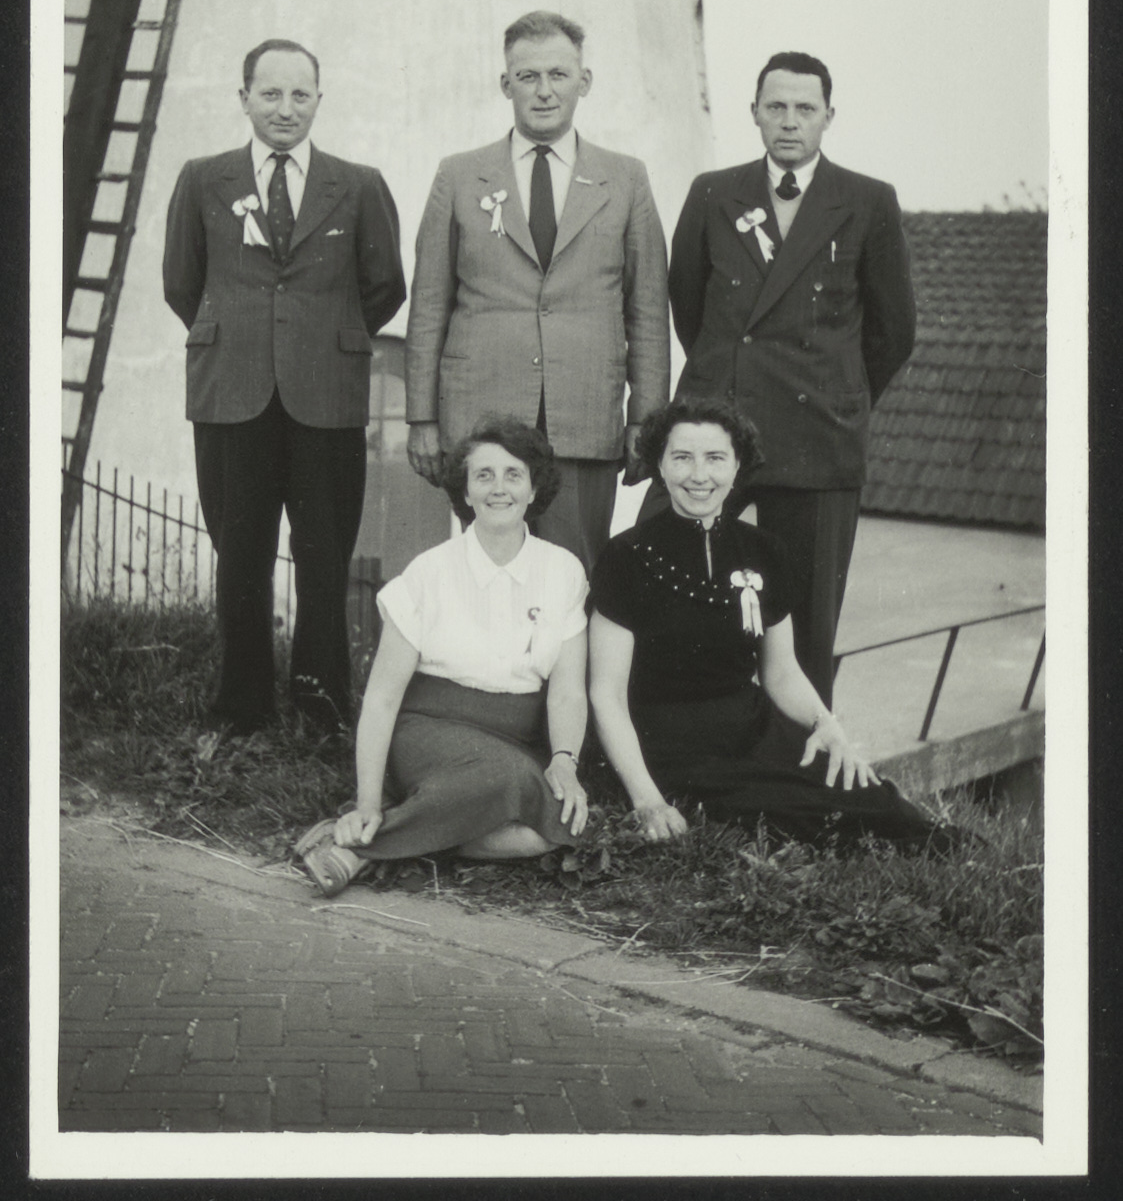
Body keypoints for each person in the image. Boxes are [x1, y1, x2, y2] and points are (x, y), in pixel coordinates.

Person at [163, 38, 406, 735]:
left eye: (300, 95)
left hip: (325, 396)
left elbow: (384, 285)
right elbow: (182, 282)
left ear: (319, 101)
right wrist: (245, 341)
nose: (285, 108)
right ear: (244, 99)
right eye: (270, 93)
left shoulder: (357, 184)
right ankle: (242, 707)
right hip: (231, 393)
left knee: (324, 555)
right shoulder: (202, 179)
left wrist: (320, 340)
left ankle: (321, 707)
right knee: (239, 554)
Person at [664, 51, 915, 706]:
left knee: (805, 622)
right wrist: (726, 379)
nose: (789, 121)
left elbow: (893, 330)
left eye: (805, 109)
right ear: (753, 113)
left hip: (816, 435)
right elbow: (689, 307)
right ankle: (678, 742)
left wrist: (835, 394)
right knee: (668, 581)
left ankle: (805, 760)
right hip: (717, 426)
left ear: (829, 116)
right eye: (775, 107)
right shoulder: (712, 192)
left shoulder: (867, 200)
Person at [589, 400, 944, 848]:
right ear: (659, 464)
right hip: (667, 741)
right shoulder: (626, 555)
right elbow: (606, 694)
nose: (699, 475)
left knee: (878, 803)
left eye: (715, 458)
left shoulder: (764, 551)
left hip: (751, 730)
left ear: (737, 466)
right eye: (682, 458)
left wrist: (826, 724)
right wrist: (647, 800)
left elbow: (781, 673)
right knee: (800, 818)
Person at [404, 9, 670, 575]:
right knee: (485, 575)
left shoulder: (626, 178)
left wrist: (645, 421)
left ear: (584, 81)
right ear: (506, 84)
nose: (544, 91)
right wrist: (421, 418)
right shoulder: (459, 176)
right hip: (481, 418)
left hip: (584, 416)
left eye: (558, 75)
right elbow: (428, 305)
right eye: (528, 76)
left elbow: (647, 311)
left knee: (575, 576)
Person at [296, 418, 590, 897]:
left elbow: (568, 691)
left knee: (553, 829)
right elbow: (382, 699)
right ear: (465, 492)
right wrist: (366, 798)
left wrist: (563, 761)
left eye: (514, 475)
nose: (499, 488)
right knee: (506, 777)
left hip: (515, 737)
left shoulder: (563, 570)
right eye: (484, 475)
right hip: (427, 729)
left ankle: (388, 838)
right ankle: (362, 839)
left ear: (534, 488)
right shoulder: (428, 572)